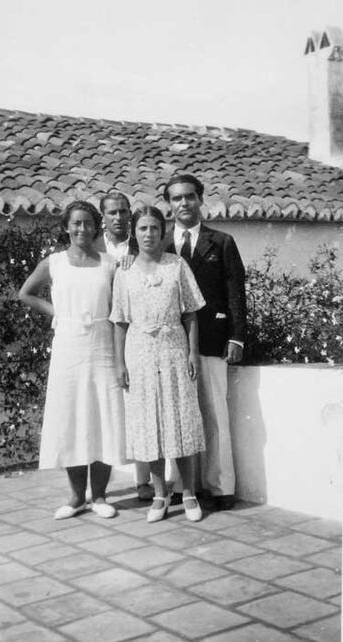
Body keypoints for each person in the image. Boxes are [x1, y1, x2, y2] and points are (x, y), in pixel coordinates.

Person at [18, 200, 126, 520]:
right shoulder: (53, 262)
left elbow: (120, 305)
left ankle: (101, 496)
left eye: (88, 223)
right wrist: (58, 314)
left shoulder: (109, 264)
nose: (82, 229)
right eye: (76, 223)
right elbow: (26, 293)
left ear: (97, 227)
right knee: (73, 418)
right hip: (68, 346)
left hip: (103, 344)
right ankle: (78, 497)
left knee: (103, 418)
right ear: (67, 227)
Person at [111, 205, 206, 523]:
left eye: (154, 228)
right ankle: (161, 496)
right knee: (149, 426)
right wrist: (120, 363)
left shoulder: (176, 265)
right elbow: (120, 322)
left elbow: (191, 314)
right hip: (139, 354)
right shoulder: (124, 271)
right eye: (142, 229)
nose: (149, 234)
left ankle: (189, 492)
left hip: (174, 350)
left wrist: (193, 353)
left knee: (180, 422)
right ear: (134, 233)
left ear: (161, 231)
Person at [164, 174, 246, 511]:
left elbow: (236, 292)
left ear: (200, 200)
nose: (183, 203)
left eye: (189, 197)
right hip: (173, 344)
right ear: (168, 205)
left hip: (213, 339)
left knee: (215, 413)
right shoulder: (162, 245)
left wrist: (237, 337)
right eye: (176, 198)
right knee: (181, 417)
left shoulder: (222, 242)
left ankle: (221, 485)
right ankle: (186, 486)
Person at [96, 190, 154, 502]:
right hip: (98, 338)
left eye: (122, 212)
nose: (118, 218)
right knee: (102, 410)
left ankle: (143, 480)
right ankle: (99, 489)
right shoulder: (90, 250)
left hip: (135, 339)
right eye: (112, 213)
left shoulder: (145, 245)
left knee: (139, 408)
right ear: (102, 217)